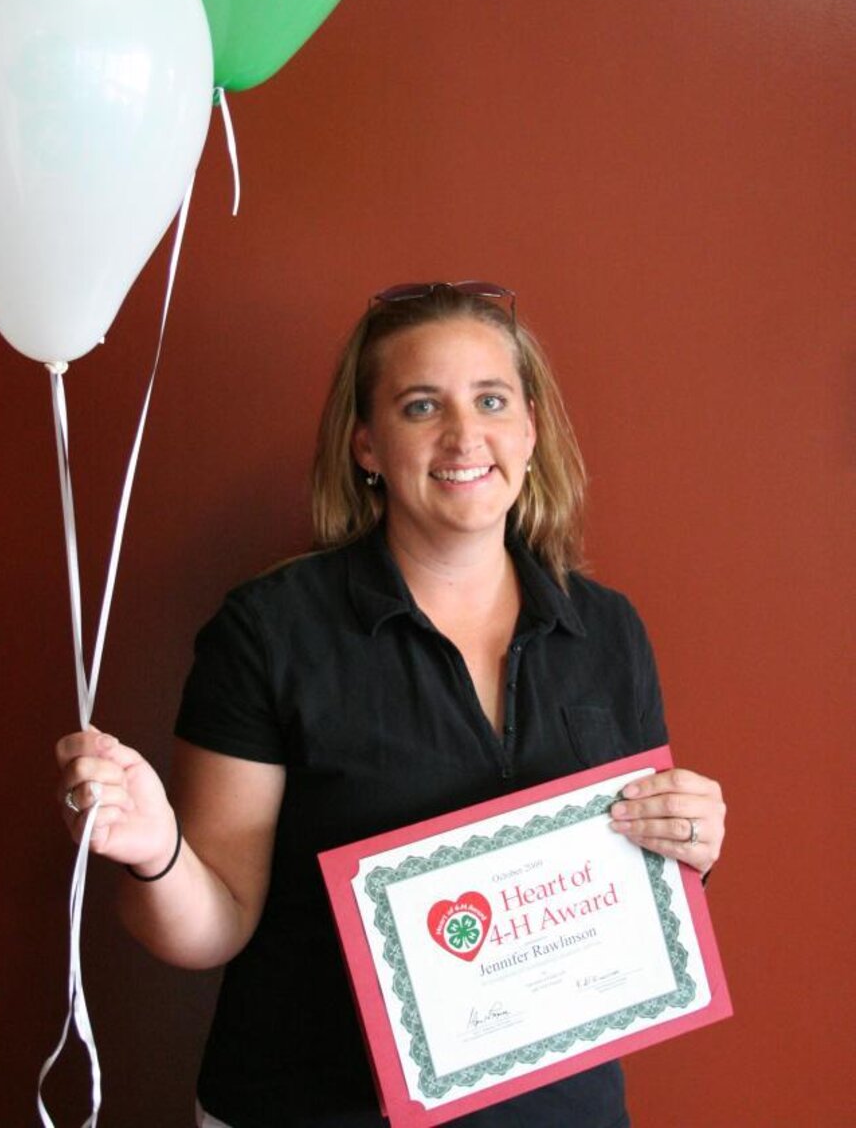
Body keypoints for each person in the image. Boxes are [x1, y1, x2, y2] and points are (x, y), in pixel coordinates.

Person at [57, 281, 726, 1128]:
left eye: (491, 399)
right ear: (366, 445)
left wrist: (687, 840)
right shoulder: (270, 630)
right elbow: (212, 923)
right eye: (421, 406)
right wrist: (155, 850)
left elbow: (633, 893)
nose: (464, 435)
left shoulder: (607, 630)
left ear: (528, 430)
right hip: (312, 1106)